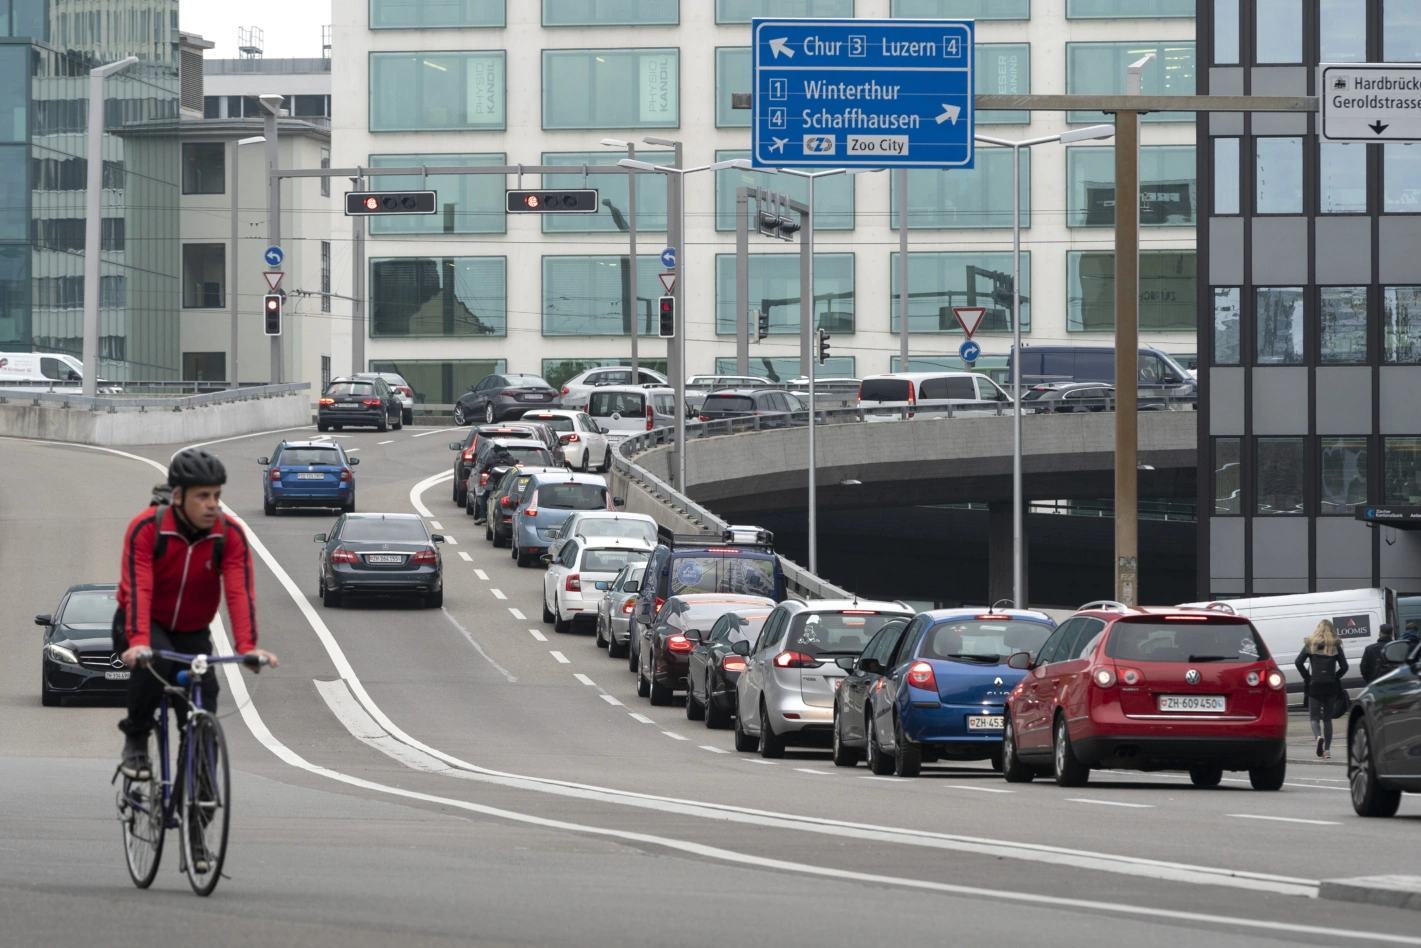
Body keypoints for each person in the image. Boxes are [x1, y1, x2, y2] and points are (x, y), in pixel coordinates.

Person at [117, 448, 279, 783]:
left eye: (217, 496)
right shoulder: (147, 528)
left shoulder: (229, 533)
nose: (212, 504)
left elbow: (239, 591)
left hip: (191, 630)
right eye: (203, 496)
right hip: (143, 623)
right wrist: (139, 642)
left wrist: (248, 645)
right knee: (155, 663)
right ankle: (136, 737)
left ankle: (199, 789)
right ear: (177, 497)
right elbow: (138, 590)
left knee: (205, 697)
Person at [1295, 619, 1349, 759]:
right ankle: (1327, 751)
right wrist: (1335, 677)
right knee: (1327, 719)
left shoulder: (1310, 644)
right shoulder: (1335, 646)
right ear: (1331, 630)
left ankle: (1318, 737)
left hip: (1315, 685)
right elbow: (1345, 667)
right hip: (1331, 686)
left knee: (1314, 717)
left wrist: (1308, 677)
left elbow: (1298, 662)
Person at [472, 445, 520, 523]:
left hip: (493, 483)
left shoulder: (491, 457)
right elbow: (514, 470)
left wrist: (488, 472)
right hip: (506, 484)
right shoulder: (510, 458)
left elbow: (482, 470)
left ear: (495, 450)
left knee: (484, 497)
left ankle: (482, 516)